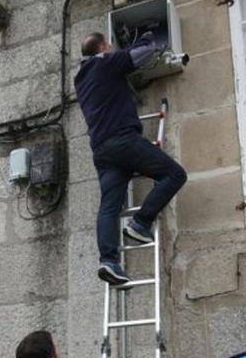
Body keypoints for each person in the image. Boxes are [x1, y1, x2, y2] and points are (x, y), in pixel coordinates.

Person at [75, 30, 187, 286]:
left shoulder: (81, 78)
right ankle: (140, 223)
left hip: (102, 150)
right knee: (174, 174)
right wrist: (148, 36)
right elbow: (143, 54)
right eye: (109, 46)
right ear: (103, 47)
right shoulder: (105, 63)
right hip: (122, 140)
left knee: (109, 206)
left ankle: (109, 261)